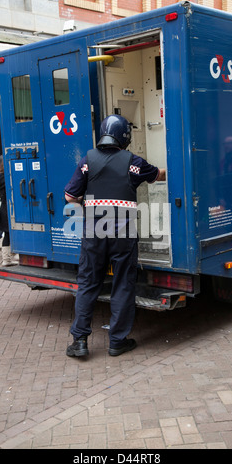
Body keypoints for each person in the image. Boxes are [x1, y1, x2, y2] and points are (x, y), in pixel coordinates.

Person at [64, 115, 166, 358]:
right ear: (125, 137)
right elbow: (157, 176)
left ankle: (79, 341)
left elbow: (69, 196)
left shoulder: (87, 161)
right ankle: (117, 341)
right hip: (123, 230)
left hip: (95, 229)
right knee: (122, 283)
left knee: (88, 283)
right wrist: (166, 169)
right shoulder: (134, 162)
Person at [0, 155, 18, 267]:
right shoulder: (9, 176)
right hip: (12, 207)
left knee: (7, 233)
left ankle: (6, 259)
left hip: (3, 207)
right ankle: (11, 258)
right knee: (12, 232)